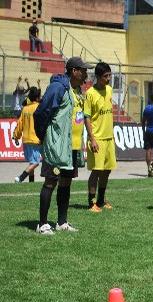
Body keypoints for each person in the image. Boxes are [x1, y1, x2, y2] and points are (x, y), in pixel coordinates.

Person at [33, 56, 91, 234]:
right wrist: (44, 136)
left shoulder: (77, 90)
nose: (86, 75)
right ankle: (42, 224)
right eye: (83, 71)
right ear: (74, 71)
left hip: (71, 146)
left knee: (66, 183)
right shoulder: (58, 87)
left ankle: (62, 222)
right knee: (51, 182)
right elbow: (41, 113)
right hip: (57, 146)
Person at [85, 62, 117, 212]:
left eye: (110, 75)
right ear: (98, 77)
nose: (108, 79)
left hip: (109, 137)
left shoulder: (110, 90)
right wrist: (92, 138)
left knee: (107, 170)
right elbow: (87, 117)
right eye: (105, 76)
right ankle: (92, 203)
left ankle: (101, 200)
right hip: (97, 138)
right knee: (96, 171)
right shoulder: (90, 93)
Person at [13, 87, 42, 183]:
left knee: (32, 162)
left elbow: (19, 124)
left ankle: (31, 182)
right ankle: (20, 178)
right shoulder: (39, 107)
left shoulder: (25, 109)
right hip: (36, 139)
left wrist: (16, 136)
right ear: (37, 98)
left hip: (26, 140)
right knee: (36, 162)